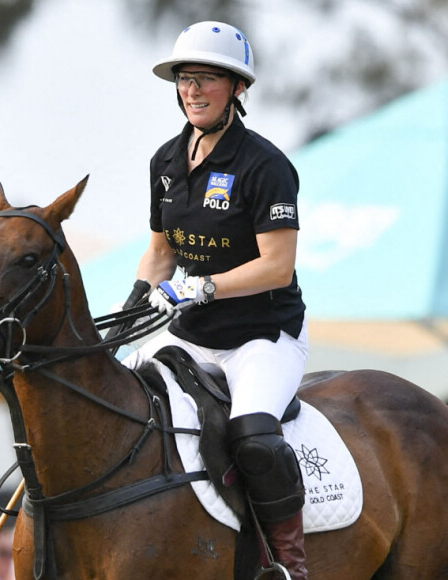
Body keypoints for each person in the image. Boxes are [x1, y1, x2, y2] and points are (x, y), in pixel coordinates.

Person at [122, 21, 308, 579]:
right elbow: (160, 254)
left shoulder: (264, 165)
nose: (192, 90)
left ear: (237, 89)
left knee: (251, 434)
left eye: (206, 79)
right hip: (191, 337)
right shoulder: (165, 162)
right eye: (185, 79)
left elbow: (278, 266)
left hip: (262, 336)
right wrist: (128, 314)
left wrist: (202, 286)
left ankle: (287, 565)